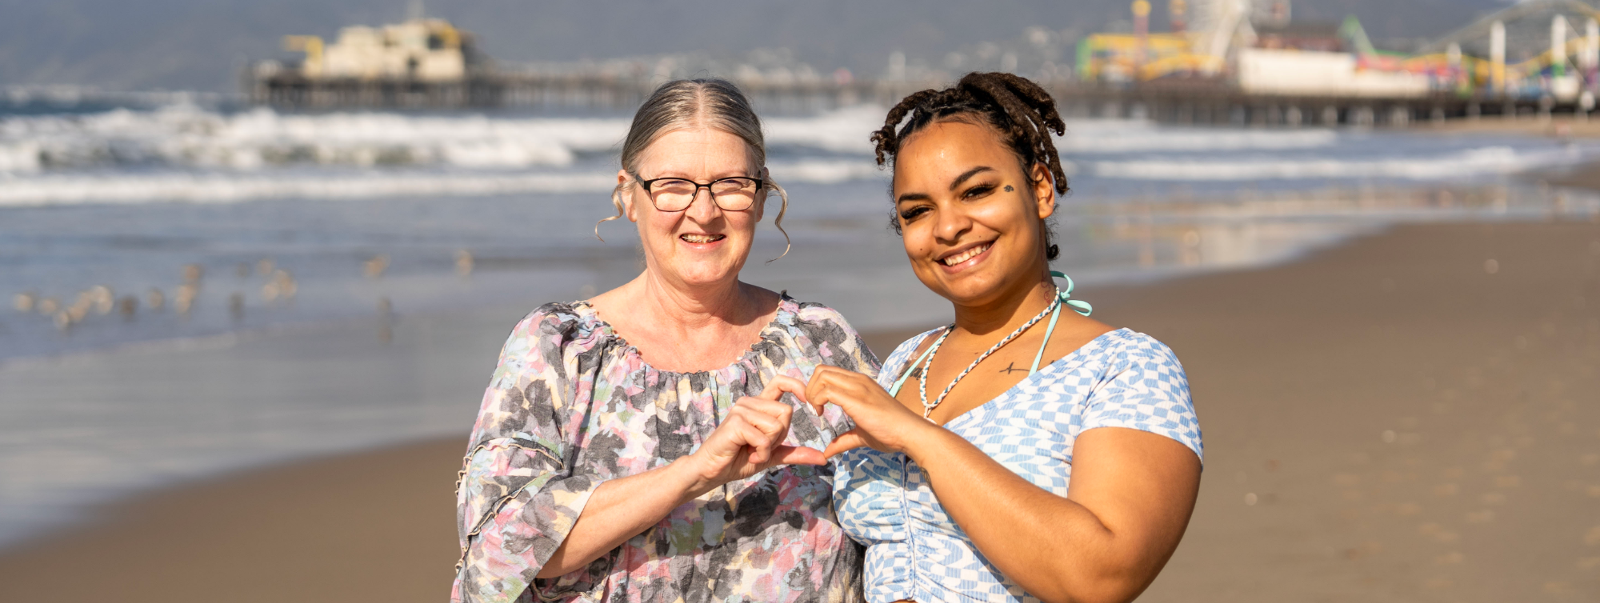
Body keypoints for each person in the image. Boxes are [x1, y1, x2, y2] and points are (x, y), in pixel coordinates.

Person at [451, 79, 874, 603]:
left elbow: (906, 522)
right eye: (673, 184)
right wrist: (696, 472)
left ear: (762, 196)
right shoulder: (558, 350)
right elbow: (496, 553)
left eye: (731, 184)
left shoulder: (821, 342)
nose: (704, 212)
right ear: (629, 195)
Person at [802, 73, 1204, 603]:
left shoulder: (1126, 367)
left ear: (1040, 190)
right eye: (917, 211)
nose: (947, 228)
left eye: (976, 191)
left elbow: (1105, 575)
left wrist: (919, 437)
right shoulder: (904, 362)